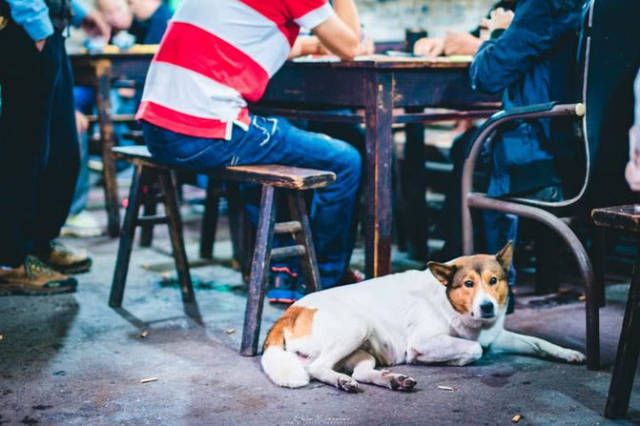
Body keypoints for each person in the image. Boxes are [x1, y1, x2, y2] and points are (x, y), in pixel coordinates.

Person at [136, 0, 363, 302]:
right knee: (344, 161)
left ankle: (285, 269)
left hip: (157, 129)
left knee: (275, 144)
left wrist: (314, 46)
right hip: (202, 133)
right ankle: (320, 283)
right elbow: (351, 46)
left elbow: (262, 42)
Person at [468, 0, 583, 310]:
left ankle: (490, 291)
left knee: (473, 155)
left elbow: (487, 76)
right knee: (471, 146)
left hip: (545, 161)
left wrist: (495, 34)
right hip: (588, 155)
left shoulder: (544, 6)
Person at [0, 0, 109, 294]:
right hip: (22, 28)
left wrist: (77, 12)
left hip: (46, 29)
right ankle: (10, 261)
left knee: (60, 151)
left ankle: (35, 245)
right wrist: (37, 26)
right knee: (22, 151)